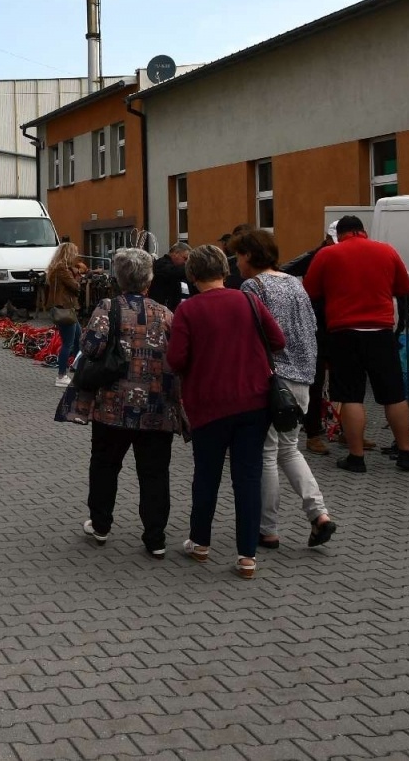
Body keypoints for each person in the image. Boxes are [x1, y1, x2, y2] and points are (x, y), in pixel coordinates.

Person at [166, 245, 284, 580]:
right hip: (254, 401)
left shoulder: (188, 311)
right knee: (248, 477)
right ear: (224, 270)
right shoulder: (248, 301)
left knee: (207, 475)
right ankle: (247, 556)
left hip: (208, 405)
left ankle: (200, 543)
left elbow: (176, 360)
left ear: (192, 275)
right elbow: (278, 340)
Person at [56, 248, 178, 558]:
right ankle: (155, 538)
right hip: (155, 408)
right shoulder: (164, 313)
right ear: (148, 280)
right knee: (154, 473)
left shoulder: (108, 308)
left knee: (105, 465)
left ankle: (100, 525)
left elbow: (90, 347)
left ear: (118, 279)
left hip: (113, 406)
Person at [232, 230, 337, 549]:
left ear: (249, 256)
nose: (236, 263)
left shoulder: (253, 286)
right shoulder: (294, 282)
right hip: (303, 379)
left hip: (274, 379)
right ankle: (319, 514)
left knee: (266, 453)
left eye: (238, 256)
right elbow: (311, 329)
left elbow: (252, 334)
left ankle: (268, 528)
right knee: (289, 450)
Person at [303, 215, 409, 473]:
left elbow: (310, 290)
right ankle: (406, 453)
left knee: (350, 395)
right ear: (363, 231)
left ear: (339, 234)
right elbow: (403, 287)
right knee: (394, 395)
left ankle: (356, 458)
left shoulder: (327, 255)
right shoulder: (387, 251)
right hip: (381, 331)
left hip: (344, 333)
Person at [283, 223, 341, 454]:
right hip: (316, 328)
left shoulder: (346, 257)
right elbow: (285, 272)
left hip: (339, 327)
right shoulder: (313, 257)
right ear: (327, 239)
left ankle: (345, 428)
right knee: (316, 382)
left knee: (343, 381)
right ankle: (313, 432)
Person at [45, 242, 85, 388]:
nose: (76, 255)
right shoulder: (62, 269)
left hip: (65, 308)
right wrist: (79, 277)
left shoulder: (58, 268)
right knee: (68, 343)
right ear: (68, 253)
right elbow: (75, 286)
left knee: (79, 340)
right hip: (65, 309)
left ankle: (78, 370)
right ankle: (61, 376)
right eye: (74, 252)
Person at [148, 243, 190, 312]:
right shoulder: (161, 264)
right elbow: (173, 273)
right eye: (185, 258)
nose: (185, 262)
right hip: (160, 308)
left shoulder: (172, 267)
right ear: (176, 253)